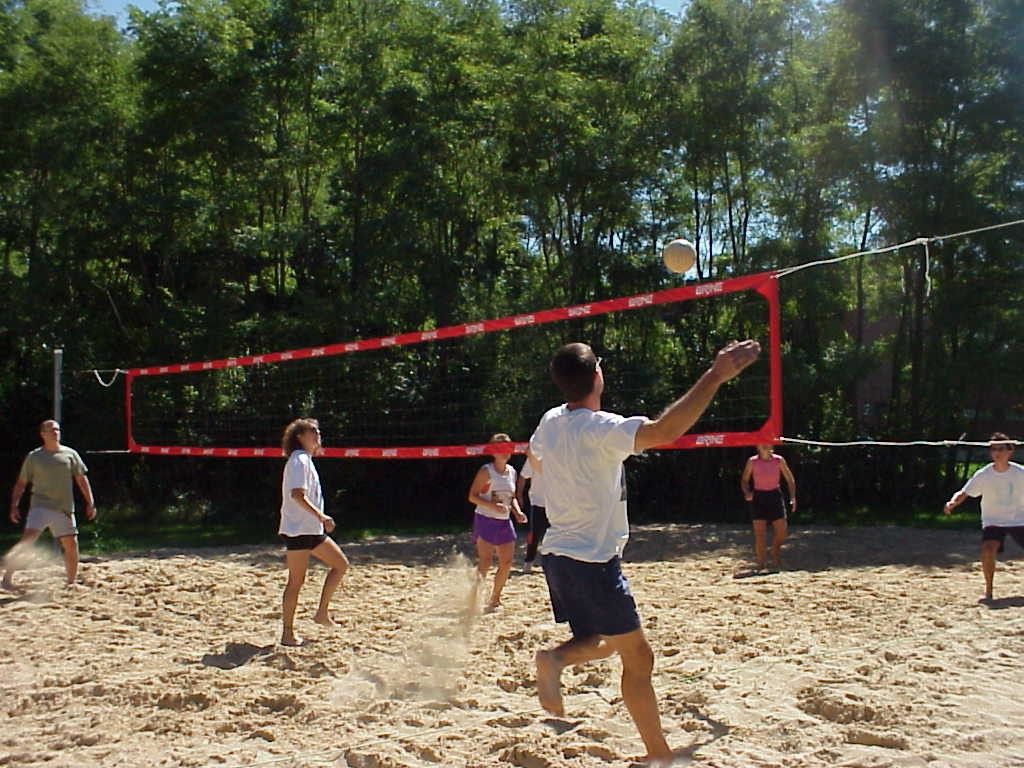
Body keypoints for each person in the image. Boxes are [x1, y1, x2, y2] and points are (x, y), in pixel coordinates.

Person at [529, 339, 760, 764]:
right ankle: (659, 755)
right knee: (640, 658)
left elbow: (535, 459)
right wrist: (715, 375)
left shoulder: (550, 422)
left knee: (599, 640)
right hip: (593, 562)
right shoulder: (601, 429)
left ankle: (555, 660)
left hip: (557, 556)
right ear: (597, 376)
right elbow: (666, 431)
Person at [279, 418, 350, 646]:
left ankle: (321, 614)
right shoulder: (299, 460)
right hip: (299, 530)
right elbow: (297, 495)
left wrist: (318, 520)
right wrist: (321, 516)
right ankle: (288, 633)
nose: (318, 435)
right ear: (299, 436)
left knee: (341, 565)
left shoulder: (305, 460)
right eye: (313, 432)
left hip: (310, 529)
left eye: (318, 432)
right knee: (296, 582)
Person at [3, 420, 96, 589]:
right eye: (51, 430)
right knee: (28, 540)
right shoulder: (35, 457)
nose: (55, 432)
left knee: (71, 544)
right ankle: (7, 577)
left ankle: (71, 582)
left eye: (57, 429)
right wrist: (14, 505)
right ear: (42, 434)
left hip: (64, 508)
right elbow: (21, 483)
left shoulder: (70, 454)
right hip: (40, 506)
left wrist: (90, 502)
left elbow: (81, 480)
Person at [944, 432, 1024, 602]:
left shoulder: (1020, 473)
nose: (997, 453)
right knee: (988, 549)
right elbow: (964, 492)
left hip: (1019, 519)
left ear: (1010, 451)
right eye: (994, 449)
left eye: (1001, 449)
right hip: (993, 521)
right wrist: (953, 502)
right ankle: (989, 590)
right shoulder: (984, 474)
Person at [467, 433, 528, 611]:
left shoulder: (511, 471)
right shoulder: (486, 471)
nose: (505, 451)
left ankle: (495, 599)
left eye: (508, 447)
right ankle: (473, 599)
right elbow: (472, 496)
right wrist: (492, 506)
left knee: (507, 562)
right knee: (485, 562)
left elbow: (512, 497)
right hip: (485, 519)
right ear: (493, 451)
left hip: (503, 520)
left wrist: (517, 512)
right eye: (501, 448)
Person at [740, 443, 797, 572]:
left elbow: (789, 479)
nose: (765, 446)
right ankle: (761, 564)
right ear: (757, 447)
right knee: (760, 534)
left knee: (782, 531)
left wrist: (793, 497)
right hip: (758, 497)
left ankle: (774, 551)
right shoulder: (752, 461)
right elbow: (744, 480)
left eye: (767, 444)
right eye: (762, 444)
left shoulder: (779, 460)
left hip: (775, 496)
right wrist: (747, 492)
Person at [516, 454, 548, 574]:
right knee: (534, 534)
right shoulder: (535, 457)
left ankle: (549, 563)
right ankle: (528, 561)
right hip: (538, 502)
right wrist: (519, 495)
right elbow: (523, 476)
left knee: (555, 534)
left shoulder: (563, 454)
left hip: (556, 503)